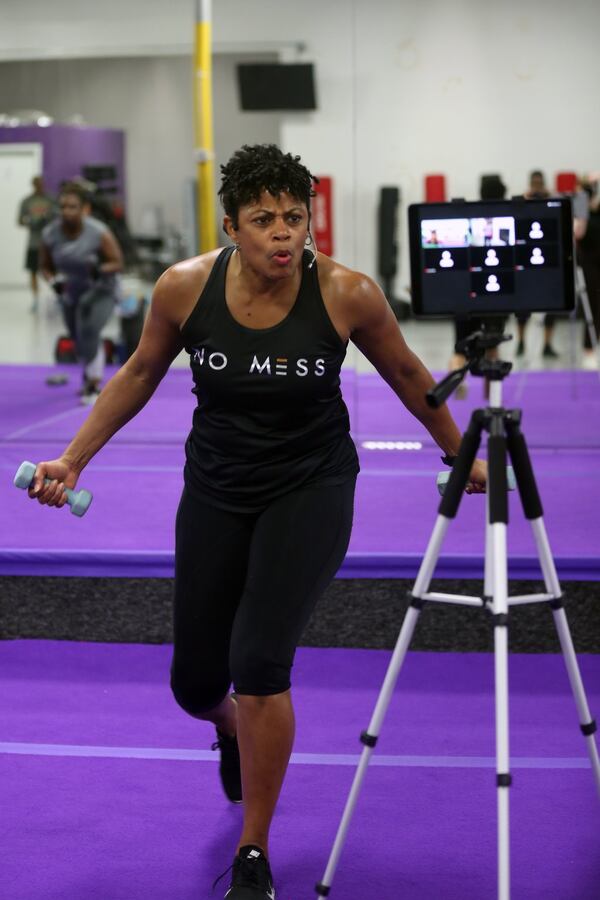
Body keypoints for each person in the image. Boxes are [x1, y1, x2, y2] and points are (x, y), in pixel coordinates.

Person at [27, 144, 487, 900]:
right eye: (264, 220)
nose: (283, 234)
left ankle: (253, 852)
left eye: (295, 217)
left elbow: (409, 374)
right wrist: (73, 460)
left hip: (311, 486)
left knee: (261, 663)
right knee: (194, 680)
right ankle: (228, 724)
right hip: (215, 486)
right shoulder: (183, 288)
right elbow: (140, 372)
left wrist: (462, 450)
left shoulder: (347, 293)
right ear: (231, 226)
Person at [39, 183, 124, 404]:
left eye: (72, 206)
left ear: (84, 209)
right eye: (63, 206)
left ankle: (94, 385)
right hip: (72, 291)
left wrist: (100, 269)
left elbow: (117, 262)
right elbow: (45, 267)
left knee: (89, 329)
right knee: (77, 338)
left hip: (101, 289)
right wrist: (53, 281)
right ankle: (89, 373)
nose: (67, 211)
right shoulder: (50, 234)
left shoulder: (98, 232)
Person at [514, 170, 560, 358]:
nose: (537, 187)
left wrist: (550, 197)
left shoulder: (551, 202)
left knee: (552, 306)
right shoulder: (523, 202)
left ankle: (547, 344)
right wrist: (525, 199)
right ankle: (521, 341)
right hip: (526, 261)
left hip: (548, 261)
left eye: (540, 183)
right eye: (534, 183)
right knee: (523, 306)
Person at [17, 176, 55, 312]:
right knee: (33, 272)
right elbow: (19, 221)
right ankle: (36, 299)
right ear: (33, 185)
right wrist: (30, 223)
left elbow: (58, 216)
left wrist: (47, 219)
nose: (40, 186)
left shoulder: (51, 200)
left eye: (42, 184)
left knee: (52, 271)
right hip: (33, 242)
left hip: (50, 241)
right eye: (37, 184)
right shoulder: (26, 201)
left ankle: (56, 297)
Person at [577, 173, 600, 368]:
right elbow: (578, 233)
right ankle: (589, 349)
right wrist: (585, 199)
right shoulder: (582, 210)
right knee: (593, 306)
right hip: (590, 263)